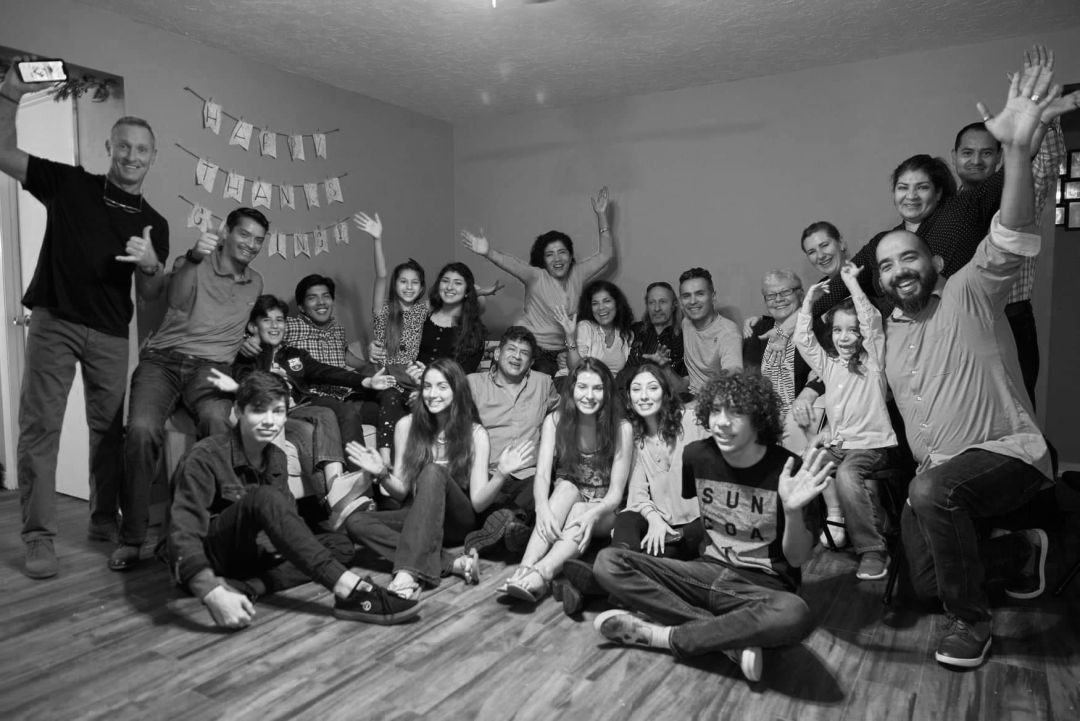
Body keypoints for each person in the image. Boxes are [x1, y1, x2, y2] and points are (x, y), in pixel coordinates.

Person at [877, 59, 1062, 669]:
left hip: (1008, 452)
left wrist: (1015, 153)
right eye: (886, 266)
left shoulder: (969, 290)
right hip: (943, 473)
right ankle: (1017, 553)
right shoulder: (891, 335)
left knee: (932, 489)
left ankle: (971, 625)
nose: (898, 270)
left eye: (908, 258)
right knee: (920, 583)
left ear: (933, 260)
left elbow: (1009, 231)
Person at [1, 60, 169, 579]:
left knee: (109, 433)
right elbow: (4, 152)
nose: (132, 156)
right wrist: (9, 97)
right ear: (110, 148)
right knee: (40, 429)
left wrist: (152, 265)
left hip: (112, 333)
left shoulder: (154, 223)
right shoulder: (71, 184)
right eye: (125, 146)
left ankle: (102, 519)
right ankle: (38, 536)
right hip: (55, 320)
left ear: (152, 157)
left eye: (142, 149)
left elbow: (154, 294)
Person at [593, 370, 833, 683]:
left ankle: (664, 636)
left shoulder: (787, 470)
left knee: (795, 613)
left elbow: (798, 560)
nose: (721, 422)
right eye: (716, 410)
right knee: (608, 562)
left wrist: (792, 510)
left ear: (759, 419)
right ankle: (726, 639)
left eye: (736, 412)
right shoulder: (698, 456)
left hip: (761, 587)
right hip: (703, 571)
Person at [165, 371, 419, 628]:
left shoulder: (274, 455)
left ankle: (249, 587)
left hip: (254, 554)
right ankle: (349, 590)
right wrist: (211, 592)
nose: (269, 421)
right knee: (263, 497)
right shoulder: (205, 456)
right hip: (212, 555)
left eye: (277, 412)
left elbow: (286, 517)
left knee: (339, 545)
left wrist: (362, 483)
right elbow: (182, 535)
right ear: (239, 411)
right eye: (258, 411)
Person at [112, 207, 268, 572]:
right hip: (163, 361)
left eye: (258, 240)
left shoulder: (256, 282)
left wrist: (246, 341)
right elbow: (176, 300)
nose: (251, 244)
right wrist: (196, 256)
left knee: (217, 421)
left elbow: (235, 320)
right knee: (140, 431)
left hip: (211, 369)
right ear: (226, 232)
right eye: (244, 235)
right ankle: (132, 538)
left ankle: (212, 530)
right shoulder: (192, 262)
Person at [341, 359, 530, 601]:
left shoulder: (475, 434)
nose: (432, 394)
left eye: (442, 387)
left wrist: (502, 474)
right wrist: (381, 474)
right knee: (356, 522)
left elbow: (479, 503)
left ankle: (406, 575)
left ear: (456, 390)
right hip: (418, 516)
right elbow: (400, 493)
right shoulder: (406, 426)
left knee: (432, 471)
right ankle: (452, 563)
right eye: (427, 387)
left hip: (457, 521)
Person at [209, 295, 398, 516]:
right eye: (267, 320)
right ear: (253, 326)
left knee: (335, 411)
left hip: (302, 406)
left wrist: (364, 380)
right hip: (277, 413)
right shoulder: (247, 357)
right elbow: (245, 385)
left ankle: (353, 491)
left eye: (279, 320)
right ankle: (333, 499)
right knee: (319, 420)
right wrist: (265, 364)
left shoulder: (293, 354)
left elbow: (324, 371)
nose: (274, 326)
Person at [500, 358, 633, 604]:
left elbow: (616, 493)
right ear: (572, 389)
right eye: (582, 387)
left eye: (597, 388)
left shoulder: (621, 427)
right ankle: (525, 568)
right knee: (565, 489)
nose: (589, 395)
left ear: (607, 392)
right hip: (571, 495)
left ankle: (543, 574)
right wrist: (542, 508)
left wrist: (592, 514)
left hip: (606, 509)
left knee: (581, 509)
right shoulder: (555, 420)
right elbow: (541, 475)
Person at [795, 264, 897, 580]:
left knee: (849, 474)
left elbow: (872, 322)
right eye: (838, 330)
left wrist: (852, 284)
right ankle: (832, 522)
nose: (844, 337)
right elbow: (804, 339)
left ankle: (872, 551)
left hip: (871, 445)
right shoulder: (829, 366)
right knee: (803, 464)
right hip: (840, 446)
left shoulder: (874, 363)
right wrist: (808, 303)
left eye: (852, 330)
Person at [460, 186, 615, 376]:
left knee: (570, 383)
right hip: (530, 346)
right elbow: (512, 264)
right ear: (543, 260)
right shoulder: (536, 276)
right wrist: (488, 252)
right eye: (550, 255)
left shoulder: (578, 273)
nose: (557, 259)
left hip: (563, 350)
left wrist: (601, 215)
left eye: (562, 252)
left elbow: (606, 255)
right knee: (540, 382)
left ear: (570, 255)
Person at [464, 326, 558, 556]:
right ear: (497, 354)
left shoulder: (544, 383)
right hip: (488, 470)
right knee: (480, 492)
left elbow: (563, 413)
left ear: (531, 361)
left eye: (524, 353)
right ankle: (514, 526)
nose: (517, 356)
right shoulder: (472, 383)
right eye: (511, 349)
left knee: (546, 487)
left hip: (528, 473)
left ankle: (502, 526)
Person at [613, 364, 703, 559]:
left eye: (653, 388)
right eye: (636, 390)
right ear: (629, 399)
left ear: (665, 393)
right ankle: (617, 559)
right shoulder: (637, 440)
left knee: (662, 551)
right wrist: (654, 520)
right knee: (626, 518)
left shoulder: (692, 421)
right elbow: (637, 494)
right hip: (664, 522)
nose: (644, 396)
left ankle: (617, 572)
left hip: (699, 523)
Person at [678, 267, 741, 397]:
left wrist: (699, 404)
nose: (692, 301)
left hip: (717, 402)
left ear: (713, 297)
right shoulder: (686, 323)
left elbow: (733, 381)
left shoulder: (728, 332)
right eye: (686, 296)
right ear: (680, 302)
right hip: (691, 396)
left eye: (700, 294)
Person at [555, 279, 634, 378]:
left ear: (617, 304)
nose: (601, 308)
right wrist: (570, 337)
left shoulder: (626, 334)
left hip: (608, 388)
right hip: (577, 383)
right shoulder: (585, 327)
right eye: (595, 303)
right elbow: (576, 368)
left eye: (607, 301)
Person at [626, 282, 689, 395]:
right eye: (651, 302)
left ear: (674, 304)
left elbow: (683, 389)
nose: (657, 308)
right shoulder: (634, 331)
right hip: (629, 401)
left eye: (663, 302)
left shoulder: (685, 338)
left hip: (668, 404)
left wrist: (665, 367)